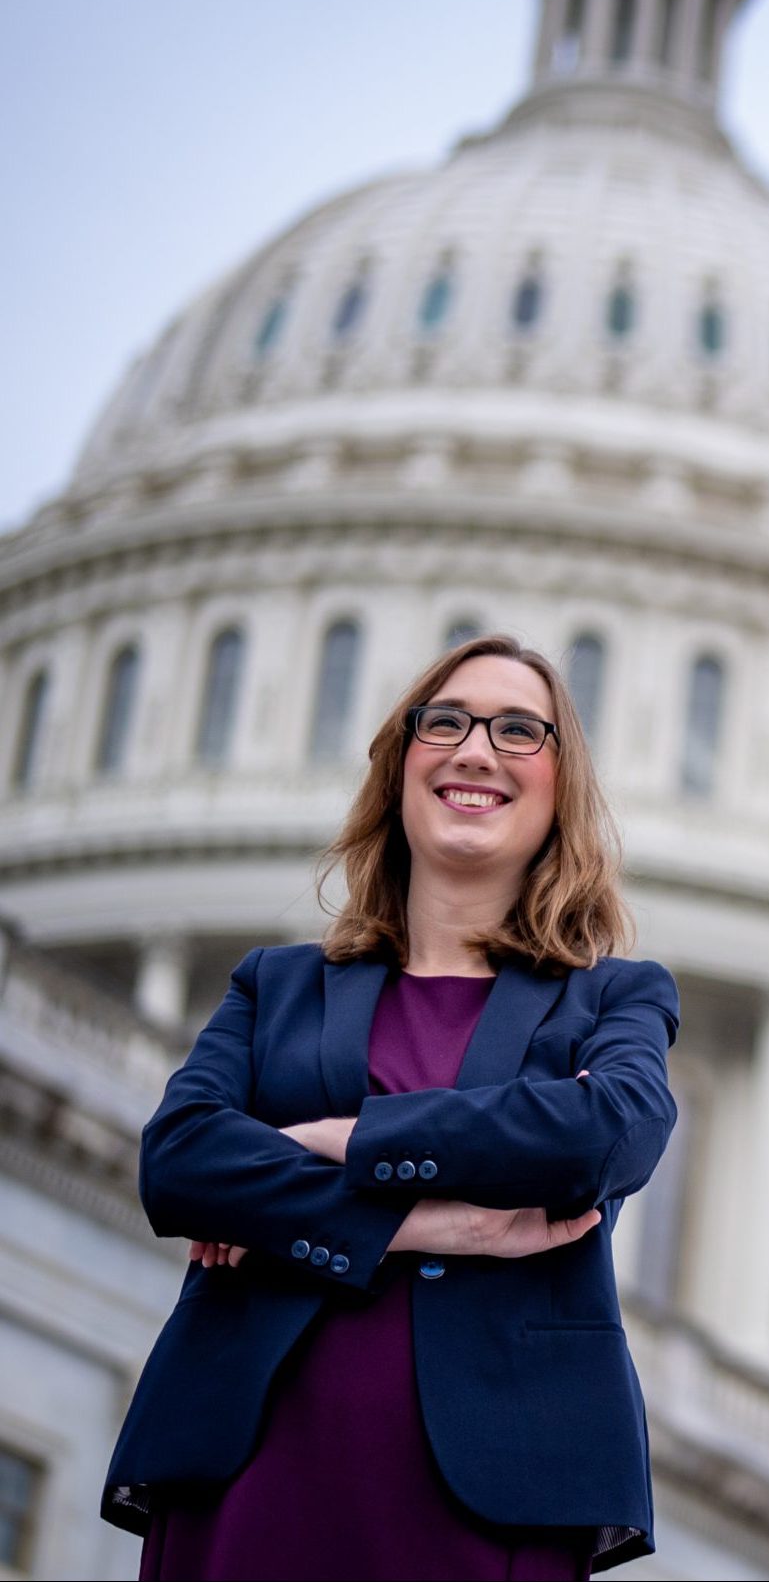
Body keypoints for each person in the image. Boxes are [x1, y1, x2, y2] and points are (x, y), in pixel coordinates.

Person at [100, 632, 681, 1580]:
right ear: (399, 765)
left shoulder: (614, 998)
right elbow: (181, 1162)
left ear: (561, 788)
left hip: (493, 1495)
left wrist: (348, 1139)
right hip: (251, 1468)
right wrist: (439, 1225)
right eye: (444, 721)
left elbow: (604, 1137)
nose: (476, 749)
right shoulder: (276, 986)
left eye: (519, 731)